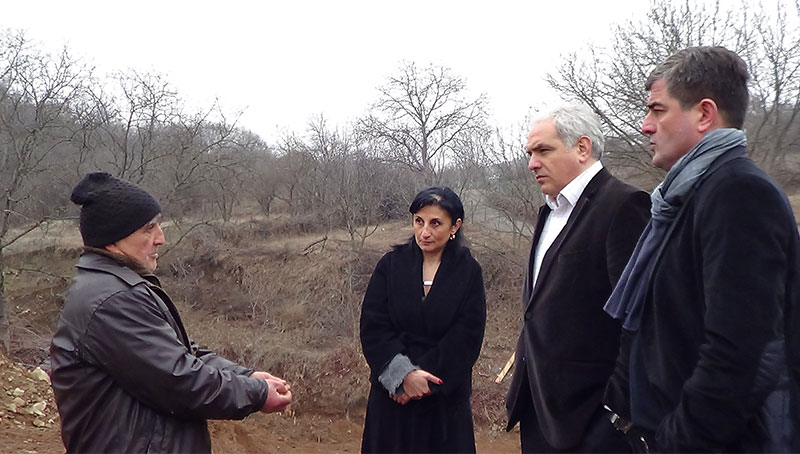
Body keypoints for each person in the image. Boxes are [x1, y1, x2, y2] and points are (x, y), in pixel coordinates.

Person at [604, 46, 800, 452]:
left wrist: (677, 440)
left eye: (657, 110)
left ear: (704, 114)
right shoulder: (683, 199)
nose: (645, 125)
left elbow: (741, 353)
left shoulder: (738, 193)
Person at [49, 172, 292, 453]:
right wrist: (258, 394)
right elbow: (179, 381)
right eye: (148, 228)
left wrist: (247, 376)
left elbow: (181, 355)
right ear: (113, 239)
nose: (161, 238)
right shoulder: (114, 300)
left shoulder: (113, 288)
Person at [504, 104, 650, 452]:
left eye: (543, 150)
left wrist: (615, 418)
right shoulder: (549, 212)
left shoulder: (624, 206)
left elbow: (642, 323)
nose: (532, 163)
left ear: (583, 148)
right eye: (529, 153)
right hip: (540, 413)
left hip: (592, 423)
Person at [359, 186, 486, 453]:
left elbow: (467, 336)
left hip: (443, 406)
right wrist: (403, 376)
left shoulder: (468, 272)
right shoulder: (390, 266)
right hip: (391, 402)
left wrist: (422, 380)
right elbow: (374, 327)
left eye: (435, 223)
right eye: (419, 221)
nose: (424, 232)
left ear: (455, 226)